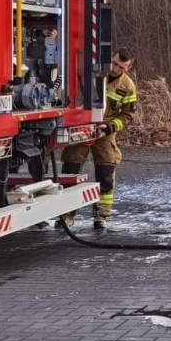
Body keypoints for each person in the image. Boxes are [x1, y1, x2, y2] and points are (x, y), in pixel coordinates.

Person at [61, 48, 137, 229]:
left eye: (121, 68)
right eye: (115, 63)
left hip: (105, 132)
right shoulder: (93, 74)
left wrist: (110, 127)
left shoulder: (128, 87)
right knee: (70, 171)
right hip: (81, 127)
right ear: (110, 58)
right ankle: (67, 215)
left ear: (129, 67)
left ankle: (101, 216)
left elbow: (128, 115)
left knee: (106, 175)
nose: (116, 69)